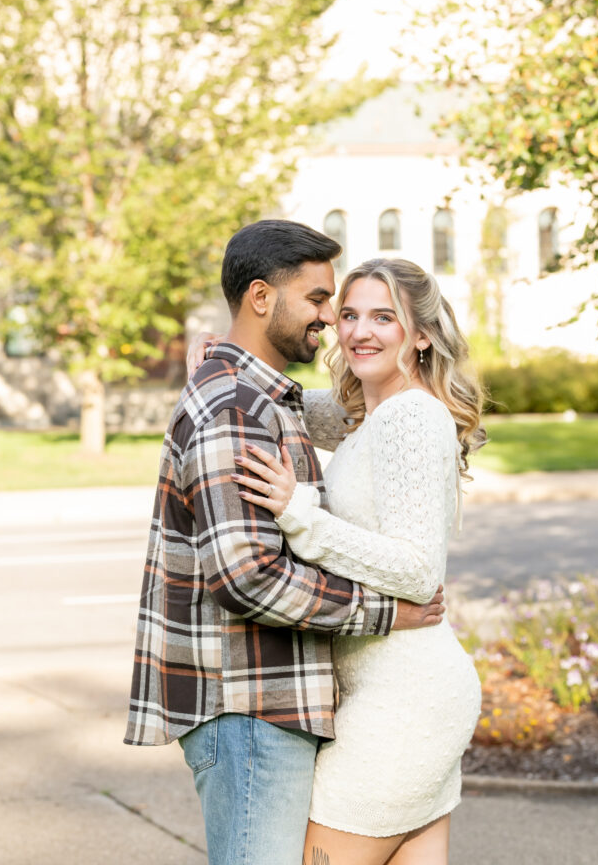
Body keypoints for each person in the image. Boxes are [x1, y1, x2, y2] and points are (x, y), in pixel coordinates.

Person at [124, 222, 445, 865]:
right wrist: (389, 613)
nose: (332, 321)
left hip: (270, 705)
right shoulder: (235, 408)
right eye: (323, 300)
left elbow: (374, 409)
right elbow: (247, 578)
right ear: (263, 298)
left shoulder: (267, 398)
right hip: (249, 709)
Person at [231, 257, 484, 865]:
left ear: (421, 333)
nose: (359, 331)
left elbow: (418, 571)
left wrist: (301, 513)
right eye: (348, 314)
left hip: (402, 702)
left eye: (383, 316)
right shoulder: (371, 412)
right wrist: (220, 357)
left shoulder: (409, 416)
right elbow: (294, 405)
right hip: (410, 693)